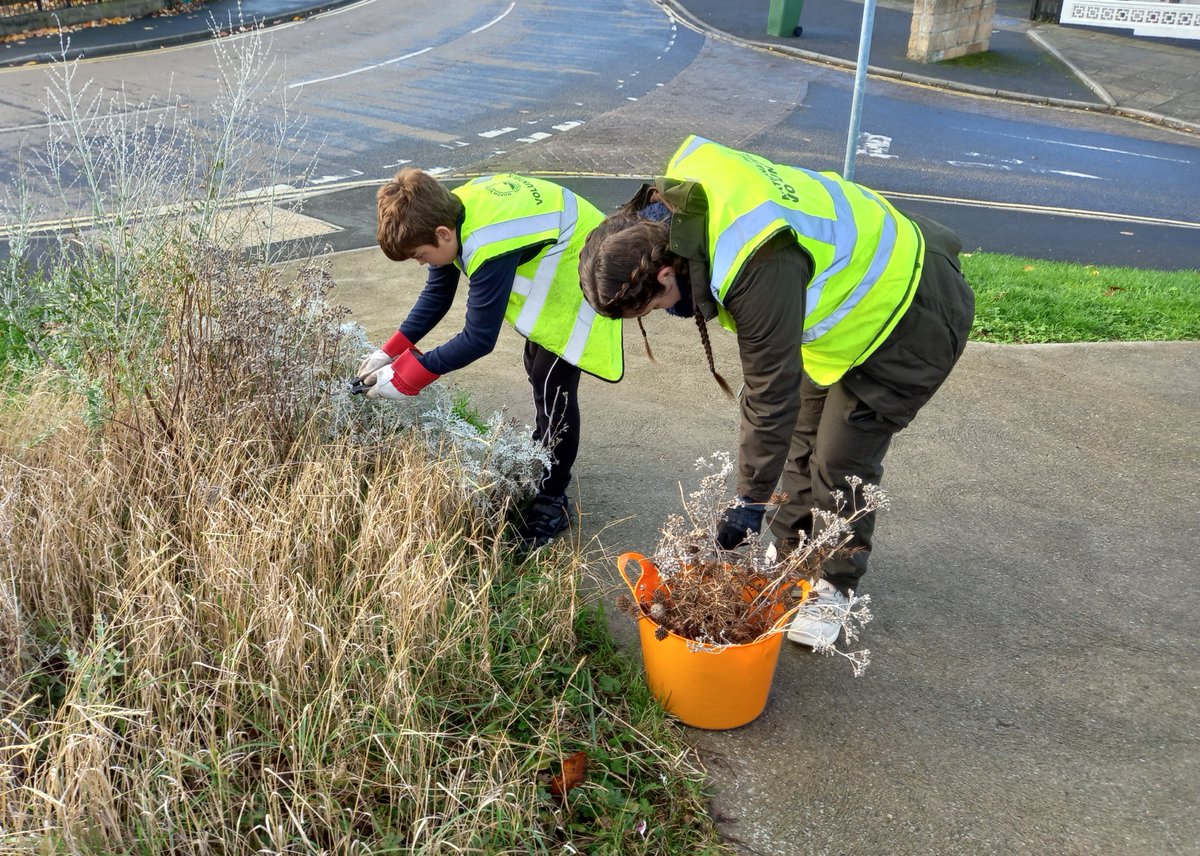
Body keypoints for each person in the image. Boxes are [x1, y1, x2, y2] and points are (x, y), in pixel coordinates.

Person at [578, 135, 975, 647]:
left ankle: (833, 586)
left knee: (840, 462)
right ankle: (793, 561)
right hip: (847, 311)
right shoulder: (679, 199)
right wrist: (759, 502)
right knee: (801, 442)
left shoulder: (755, 263)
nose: (665, 315)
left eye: (655, 306)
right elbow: (779, 410)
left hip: (913, 312)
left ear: (665, 270)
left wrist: (748, 501)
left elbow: (769, 394)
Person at [360, 169, 623, 550]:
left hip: (587, 267)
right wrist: (390, 350)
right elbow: (438, 294)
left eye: (420, 255)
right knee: (538, 367)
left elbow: (478, 339)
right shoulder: (449, 210)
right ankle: (544, 454)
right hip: (569, 249)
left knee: (554, 384)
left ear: (442, 236)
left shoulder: (488, 242)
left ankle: (552, 501)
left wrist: (408, 379)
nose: (421, 263)